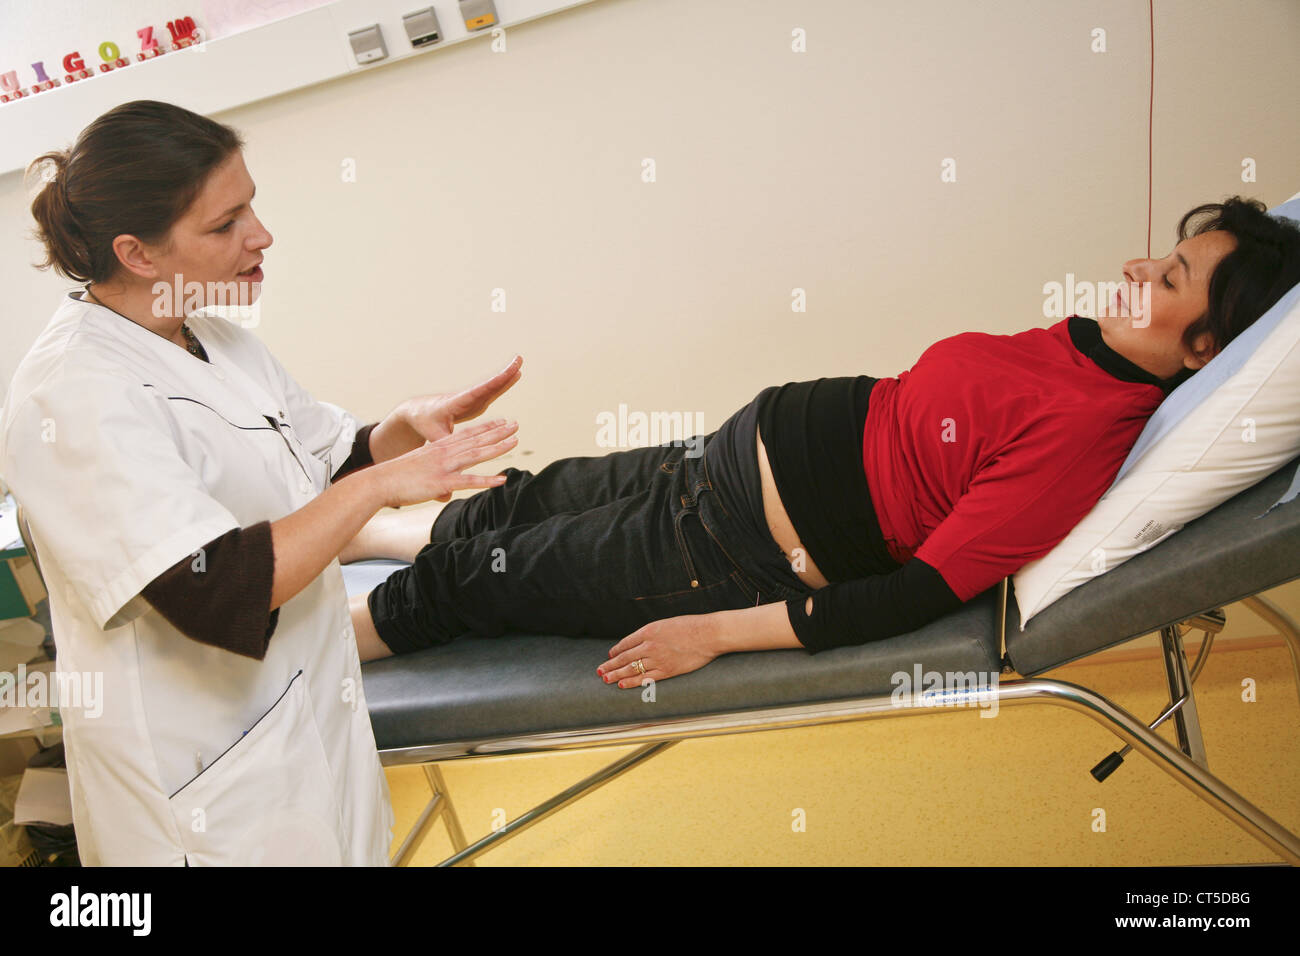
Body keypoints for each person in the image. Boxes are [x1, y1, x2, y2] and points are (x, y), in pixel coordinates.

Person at [347, 196, 1300, 689]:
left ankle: (280, 656)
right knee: (515, 503)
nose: (1139, 267)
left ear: (1204, 349)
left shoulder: (1085, 437)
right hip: (712, 467)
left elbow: (917, 593)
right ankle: (374, 535)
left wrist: (714, 635)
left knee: (473, 583)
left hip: (723, 555)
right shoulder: (1087, 350)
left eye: (1169, 278)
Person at [0, 99, 521, 866]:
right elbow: (215, 590)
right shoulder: (73, 392)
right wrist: (375, 489)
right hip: (205, 785)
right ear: (138, 254)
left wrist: (398, 434)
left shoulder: (212, 339)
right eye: (225, 223)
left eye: (252, 205)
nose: (261, 235)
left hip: (304, 729)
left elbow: (319, 465)